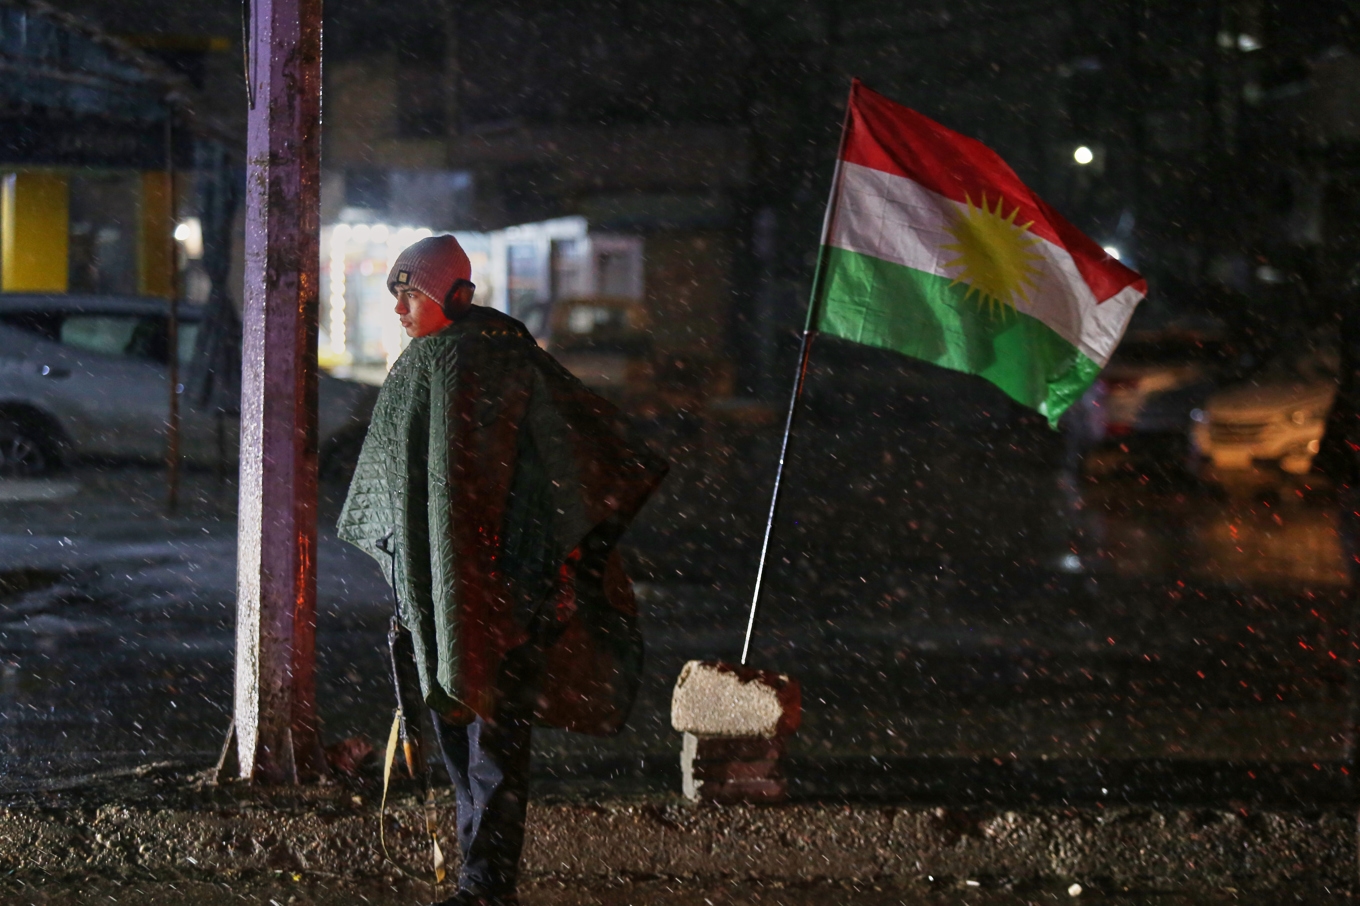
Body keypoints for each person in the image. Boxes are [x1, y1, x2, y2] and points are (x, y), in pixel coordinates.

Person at [337, 235, 667, 906]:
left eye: (410, 294)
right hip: (507, 597)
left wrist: (504, 559)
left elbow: (562, 465)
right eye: (397, 295)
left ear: (452, 297)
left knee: (477, 743)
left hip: (497, 597)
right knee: (488, 745)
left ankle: (483, 885)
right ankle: (481, 883)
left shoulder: (451, 369)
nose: (399, 308)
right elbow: (593, 456)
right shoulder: (508, 362)